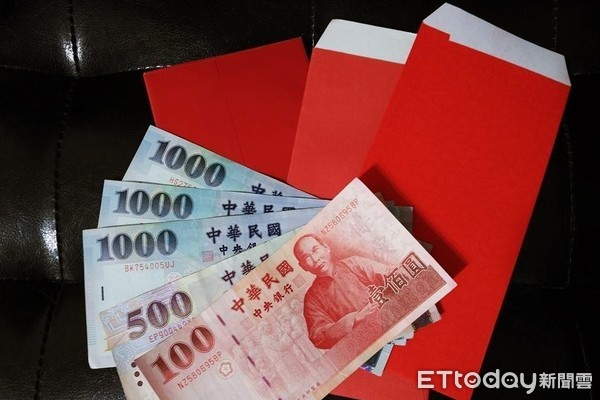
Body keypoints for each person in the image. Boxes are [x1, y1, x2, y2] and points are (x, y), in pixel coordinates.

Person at [292, 233, 394, 350]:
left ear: (326, 247)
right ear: (303, 266)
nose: (315, 259)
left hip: (388, 320)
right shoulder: (312, 298)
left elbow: (389, 274)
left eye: (315, 250)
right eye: (306, 258)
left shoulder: (353, 263)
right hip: (364, 344)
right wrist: (355, 319)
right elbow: (318, 336)